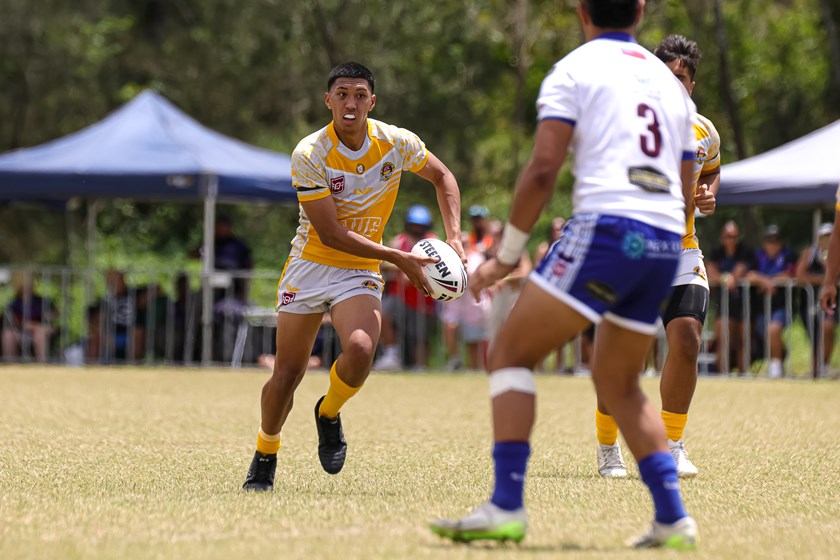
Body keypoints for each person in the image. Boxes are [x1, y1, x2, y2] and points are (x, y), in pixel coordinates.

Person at [429, 0, 698, 548]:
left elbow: (544, 168)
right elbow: (688, 178)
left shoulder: (575, 69)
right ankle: (672, 517)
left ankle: (506, 504)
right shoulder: (671, 85)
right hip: (667, 239)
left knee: (507, 353)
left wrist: (507, 254)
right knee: (619, 382)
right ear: (641, 10)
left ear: (581, 9)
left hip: (608, 229)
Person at [242, 62, 464, 491]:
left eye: (360, 95)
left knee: (362, 349)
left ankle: (328, 413)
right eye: (342, 93)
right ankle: (266, 452)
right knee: (287, 374)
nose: (351, 102)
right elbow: (330, 233)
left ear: (372, 102)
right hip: (311, 263)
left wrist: (454, 237)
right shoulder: (310, 153)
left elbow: (443, 177)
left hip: (359, 268)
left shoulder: (396, 143)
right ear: (328, 100)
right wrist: (398, 258)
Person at [593, 34, 720, 480]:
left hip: (683, 251)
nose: (672, 84)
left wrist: (708, 195)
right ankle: (608, 447)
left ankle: (673, 444)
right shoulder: (629, 126)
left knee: (686, 339)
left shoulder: (706, 131)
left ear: (691, 84)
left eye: (680, 77)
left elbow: (712, 169)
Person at [373, 204, 439, 370]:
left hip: (424, 299)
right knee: (384, 315)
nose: (417, 228)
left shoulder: (434, 242)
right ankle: (391, 355)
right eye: (414, 225)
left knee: (420, 335)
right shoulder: (398, 241)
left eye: (420, 226)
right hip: (399, 296)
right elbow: (384, 264)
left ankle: (420, 365)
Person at [746, 225, 796, 378]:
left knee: (773, 331)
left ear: (780, 242)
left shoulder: (788, 255)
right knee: (767, 337)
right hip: (761, 308)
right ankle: (781, 357)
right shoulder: (758, 256)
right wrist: (766, 282)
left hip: (782, 306)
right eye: (769, 241)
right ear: (764, 243)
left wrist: (767, 281)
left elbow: (791, 275)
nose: (772, 244)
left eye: (776, 241)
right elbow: (749, 275)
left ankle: (775, 371)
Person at [707, 220, 752, 374]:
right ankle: (722, 375)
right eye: (728, 236)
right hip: (723, 303)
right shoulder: (716, 252)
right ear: (722, 237)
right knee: (723, 341)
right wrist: (725, 278)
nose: (731, 239)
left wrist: (725, 278)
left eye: (734, 236)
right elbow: (710, 271)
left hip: (743, 304)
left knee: (742, 343)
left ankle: (743, 375)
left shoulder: (744, 251)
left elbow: (739, 272)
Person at [441, 232, 491, 371]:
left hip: (473, 304)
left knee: (472, 343)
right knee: (449, 327)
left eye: (465, 244)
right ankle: (455, 359)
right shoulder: (447, 257)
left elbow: (475, 276)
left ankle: (474, 369)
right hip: (455, 303)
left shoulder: (476, 258)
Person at [796, 222, 835, 376]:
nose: (827, 240)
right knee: (814, 336)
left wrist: (828, 266)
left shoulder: (836, 254)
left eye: (830, 237)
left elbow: (833, 275)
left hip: (830, 302)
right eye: (824, 237)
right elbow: (800, 276)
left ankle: (823, 366)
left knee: (827, 327)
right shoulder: (809, 252)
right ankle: (816, 370)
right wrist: (824, 281)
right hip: (809, 302)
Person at [2, 272, 57, 362]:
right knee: (8, 334)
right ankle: (11, 364)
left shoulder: (41, 301)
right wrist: (36, 325)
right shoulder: (14, 303)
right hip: (20, 331)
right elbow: (19, 322)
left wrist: (49, 317)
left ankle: (42, 364)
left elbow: (55, 312)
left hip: (40, 331)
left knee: (40, 333)